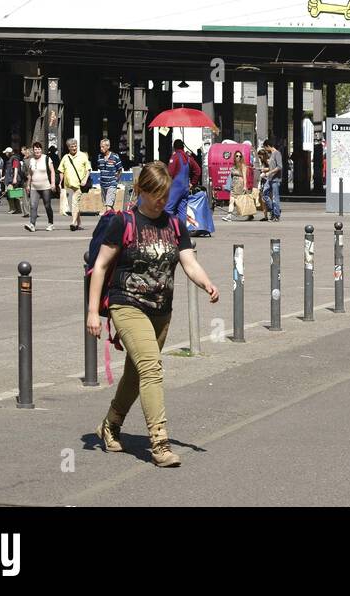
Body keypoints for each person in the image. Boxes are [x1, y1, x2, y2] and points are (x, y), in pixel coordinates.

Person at [88, 161, 220, 468]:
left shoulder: (174, 225)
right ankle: (159, 442)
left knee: (137, 374)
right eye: (156, 194)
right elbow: (101, 267)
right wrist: (93, 311)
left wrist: (207, 283)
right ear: (140, 191)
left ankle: (110, 424)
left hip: (161, 310)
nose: (162, 200)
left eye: (165, 193)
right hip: (127, 303)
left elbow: (189, 262)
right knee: (151, 368)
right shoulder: (124, 222)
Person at [59, 138, 93, 231]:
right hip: (68, 185)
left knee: (74, 202)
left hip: (79, 185)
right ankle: (79, 223)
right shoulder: (65, 157)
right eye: (72, 146)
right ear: (68, 148)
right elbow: (61, 170)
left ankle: (73, 223)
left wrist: (85, 180)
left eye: (75, 146)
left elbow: (88, 169)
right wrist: (60, 182)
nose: (74, 148)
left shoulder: (82, 156)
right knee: (73, 205)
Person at [24, 141, 57, 232]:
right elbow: (30, 174)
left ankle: (51, 223)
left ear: (41, 150)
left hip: (46, 186)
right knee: (33, 205)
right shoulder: (31, 160)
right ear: (33, 150)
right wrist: (28, 185)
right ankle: (32, 224)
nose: (37, 151)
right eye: (35, 149)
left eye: (39, 149)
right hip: (34, 187)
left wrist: (53, 183)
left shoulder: (47, 158)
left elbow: (52, 172)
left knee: (47, 205)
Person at [222, 150, 250, 222]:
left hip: (239, 185)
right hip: (233, 185)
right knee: (231, 201)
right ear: (234, 157)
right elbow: (230, 177)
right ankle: (229, 216)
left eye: (240, 156)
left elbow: (244, 177)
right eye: (237, 156)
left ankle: (250, 214)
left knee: (241, 202)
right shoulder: (233, 167)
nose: (238, 157)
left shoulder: (243, 166)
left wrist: (245, 186)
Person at [97, 138, 124, 212]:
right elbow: (100, 169)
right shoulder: (99, 157)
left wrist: (116, 181)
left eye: (103, 147)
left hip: (112, 184)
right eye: (100, 146)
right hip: (103, 185)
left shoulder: (115, 157)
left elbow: (120, 169)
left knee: (108, 206)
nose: (101, 148)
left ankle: (107, 222)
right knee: (108, 205)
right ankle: (116, 219)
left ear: (108, 147)